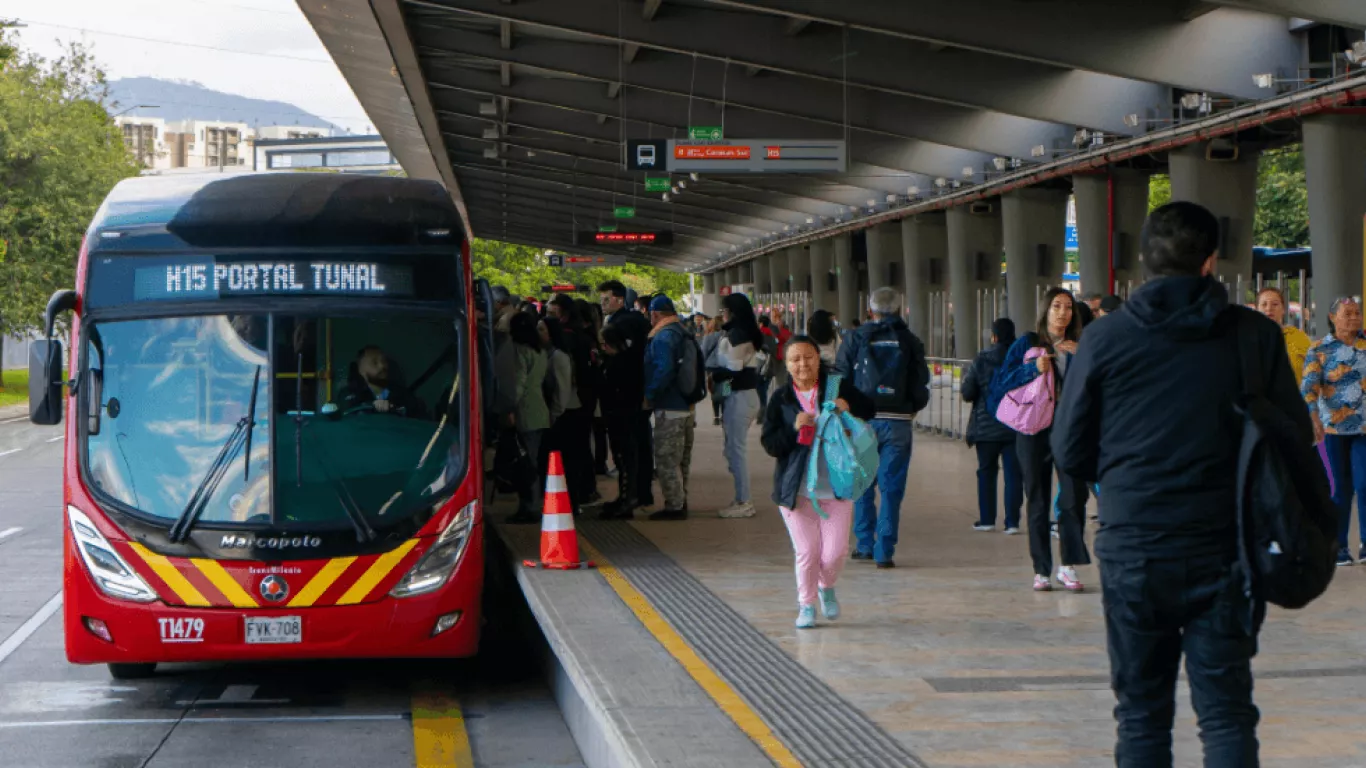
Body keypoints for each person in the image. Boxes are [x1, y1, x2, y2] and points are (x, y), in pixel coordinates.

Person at [1053, 201, 1311, 768]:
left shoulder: (1105, 338)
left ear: (1144, 260)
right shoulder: (1254, 335)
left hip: (1135, 548)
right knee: (1227, 714)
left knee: (1141, 715)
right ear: (1211, 260)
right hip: (1227, 548)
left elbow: (1069, 449)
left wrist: (1128, 472)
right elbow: (1293, 439)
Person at [761, 336, 876, 629]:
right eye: (795, 359)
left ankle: (826, 587)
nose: (803, 364)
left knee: (835, 553)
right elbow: (771, 444)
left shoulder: (836, 387)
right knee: (807, 552)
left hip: (837, 487)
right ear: (787, 365)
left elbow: (869, 409)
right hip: (796, 490)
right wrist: (794, 429)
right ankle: (807, 605)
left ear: (818, 358)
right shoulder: (781, 399)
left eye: (808, 357)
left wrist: (847, 406)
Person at [991, 286, 1090, 592]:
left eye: (1068, 307)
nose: (1063, 313)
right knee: (1037, 497)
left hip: (1069, 429)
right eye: (1057, 306)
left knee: (1073, 497)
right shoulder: (1027, 343)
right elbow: (1001, 381)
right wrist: (1032, 369)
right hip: (1032, 429)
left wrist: (1084, 359)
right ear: (1046, 310)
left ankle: (1068, 566)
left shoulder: (1082, 346)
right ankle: (1041, 569)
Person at [835, 287, 930, 568]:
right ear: (900, 310)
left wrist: (841, 414)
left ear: (870, 310)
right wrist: (912, 407)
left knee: (863, 484)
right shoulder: (910, 340)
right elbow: (921, 382)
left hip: (861, 421)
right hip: (898, 422)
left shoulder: (854, 338)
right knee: (892, 488)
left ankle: (864, 544)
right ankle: (884, 551)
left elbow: (839, 377)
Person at [1301, 296, 1366, 566]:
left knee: (1364, 484)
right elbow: (1309, 387)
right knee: (1340, 488)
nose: (1354, 317)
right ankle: (1338, 547)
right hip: (1333, 430)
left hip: (1364, 428)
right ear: (1332, 318)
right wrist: (1314, 417)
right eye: (1347, 313)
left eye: (1357, 313)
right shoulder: (1319, 349)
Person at [597, 280, 652, 518]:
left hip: (624, 399)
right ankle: (636, 494)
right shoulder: (637, 321)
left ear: (619, 299)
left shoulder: (623, 325)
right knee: (637, 447)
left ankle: (628, 498)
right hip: (635, 397)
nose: (603, 303)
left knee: (625, 450)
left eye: (606, 299)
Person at [708, 292, 765, 518]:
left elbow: (734, 370)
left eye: (724, 310)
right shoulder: (738, 333)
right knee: (732, 449)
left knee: (736, 451)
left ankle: (744, 501)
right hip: (738, 396)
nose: (722, 314)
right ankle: (741, 497)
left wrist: (716, 376)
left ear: (732, 311)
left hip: (741, 397)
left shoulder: (738, 335)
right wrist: (722, 394)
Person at [962, 318, 1022, 534]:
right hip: (1014, 426)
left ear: (994, 336)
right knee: (1014, 475)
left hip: (986, 427)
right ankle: (1012, 523)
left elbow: (968, 393)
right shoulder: (1021, 358)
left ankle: (987, 520)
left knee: (986, 472)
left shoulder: (982, 359)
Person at [642, 295, 694, 520]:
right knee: (682, 459)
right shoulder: (683, 332)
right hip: (687, 405)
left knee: (666, 458)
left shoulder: (663, 337)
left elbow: (664, 369)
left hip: (669, 405)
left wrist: (650, 394)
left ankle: (674, 505)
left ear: (654, 314)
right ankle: (681, 500)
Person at [506, 311, 551, 524]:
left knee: (526, 462)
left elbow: (518, 383)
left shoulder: (519, 351)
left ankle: (530, 506)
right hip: (540, 408)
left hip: (525, 410)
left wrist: (509, 408)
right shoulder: (540, 350)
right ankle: (532, 503)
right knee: (533, 460)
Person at [540, 316, 586, 514]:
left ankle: (572, 503)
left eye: (542, 329)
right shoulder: (547, 354)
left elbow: (563, 390)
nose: (538, 333)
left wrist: (554, 415)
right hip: (561, 413)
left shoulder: (559, 356)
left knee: (567, 462)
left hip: (567, 415)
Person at [340, 345, 424, 418]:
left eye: (384, 361)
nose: (382, 366)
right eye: (375, 362)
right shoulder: (348, 395)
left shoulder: (404, 395)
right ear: (361, 369)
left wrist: (393, 409)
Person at [1256, 287, 1310, 382]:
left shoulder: (1298, 337)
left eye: (1275, 304)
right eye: (1264, 304)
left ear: (1283, 309)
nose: (1269, 308)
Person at [700, 314, 726, 425]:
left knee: (713, 391)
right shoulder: (728, 336)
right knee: (726, 390)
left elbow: (703, 352)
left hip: (711, 367)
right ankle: (725, 414)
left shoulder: (708, 337)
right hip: (726, 367)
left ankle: (716, 416)